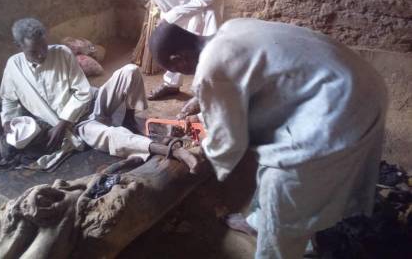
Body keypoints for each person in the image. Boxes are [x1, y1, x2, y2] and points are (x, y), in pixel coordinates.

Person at [149, 18, 387, 259]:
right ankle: (259, 222)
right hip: (356, 80)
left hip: (343, 105)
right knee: (269, 155)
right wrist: (205, 98)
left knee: (283, 186)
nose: (179, 74)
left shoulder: (211, 67)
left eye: (174, 69)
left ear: (179, 59)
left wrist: (198, 151)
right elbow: (245, 77)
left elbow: (229, 142)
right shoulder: (231, 28)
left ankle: (280, 247)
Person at [0, 18, 199, 171]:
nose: (42, 54)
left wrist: (62, 121)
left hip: (92, 103)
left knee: (130, 71)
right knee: (113, 135)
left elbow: (83, 92)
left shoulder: (61, 53)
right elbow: (9, 101)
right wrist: (8, 121)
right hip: (78, 126)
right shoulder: (13, 67)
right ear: (19, 46)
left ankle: (129, 118)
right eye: (35, 51)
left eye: (44, 47)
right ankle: (172, 150)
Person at [142, 0, 226, 103]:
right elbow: (168, 8)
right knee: (177, 41)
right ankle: (171, 84)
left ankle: (211, 89)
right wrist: (171, 25)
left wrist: (173, 17)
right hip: (182, 3)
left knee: (211, 37)